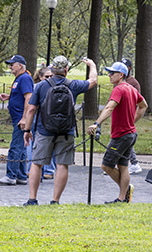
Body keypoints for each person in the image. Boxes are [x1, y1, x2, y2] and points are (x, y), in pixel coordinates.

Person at [19, 55, 97, 205]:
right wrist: (92, 65)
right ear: (66, 70)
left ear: (52, 69)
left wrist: (27, 130)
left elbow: (31, 109)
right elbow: (92, 81)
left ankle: (32, 199)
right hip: (66, 131)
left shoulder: (41, 86)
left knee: (36, 163)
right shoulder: (73, 85)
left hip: (44, 130)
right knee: (62, 164)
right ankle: (55, 200)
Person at [89, 61, 145, 205]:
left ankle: (125, 190)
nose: (109, 75)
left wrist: (97, 124)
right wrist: (133, 121)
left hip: (121, 136)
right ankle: (122, 199)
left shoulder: (119, 89)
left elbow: (109, 108)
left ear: (121, 75)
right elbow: (143, 105)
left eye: (112, 73)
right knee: (123, 166)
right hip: (130, 134)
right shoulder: (131, 89)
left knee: (106, 166)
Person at [0, 54, 33, 185]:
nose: (10, 66)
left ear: (20, 65)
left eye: (12, 64)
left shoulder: (24, 78)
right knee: (22, 148)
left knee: (15, 147)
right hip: (18, 118)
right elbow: (21, 96)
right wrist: (9, 97)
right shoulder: (19, 78)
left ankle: (10, 176)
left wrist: (24, 118)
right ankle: (21, 176)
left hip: (20, 120)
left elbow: (29, 98)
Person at [119, 57, 142, 174]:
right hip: (120, 115)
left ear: (130, 68)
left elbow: (139, 102)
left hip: (128, 115)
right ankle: (134, 163)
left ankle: (110, 164)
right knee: (124, 139)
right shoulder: (119, 80)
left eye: (126, 67)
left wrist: (133, 118)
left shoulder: (133, 83)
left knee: (121, 139)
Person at [35, 67, 57, 180]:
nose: (49, 79)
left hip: (52, 121)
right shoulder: (39, 87)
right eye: (46, 77)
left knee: (51, 146)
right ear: (40, 77)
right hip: (41, 120)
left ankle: (49, 169)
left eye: (50, 76)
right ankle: (42, 170)